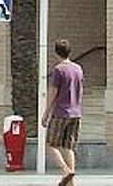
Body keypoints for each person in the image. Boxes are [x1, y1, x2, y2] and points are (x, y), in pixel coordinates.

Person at [42, 39, 83, 186]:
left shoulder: (59, 70)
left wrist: (46, 114)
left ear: (56, 53)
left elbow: (53, 93)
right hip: (76, 113)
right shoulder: (78, 69)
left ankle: (66, 170)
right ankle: (72, 183)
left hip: (61, 112)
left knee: (51, 144)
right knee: (69, 147)